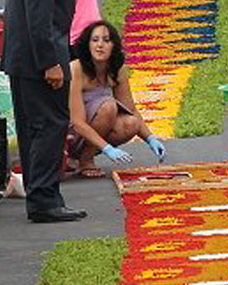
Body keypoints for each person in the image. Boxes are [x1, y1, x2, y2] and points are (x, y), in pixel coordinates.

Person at [2, 0, 86, 223]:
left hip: (24, 58)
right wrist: (50, 62)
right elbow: (40, 14)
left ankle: (42, 195)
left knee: (34, 128)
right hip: (39, 59)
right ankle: (44, 199)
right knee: (48, 127)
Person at [67, 21, 164, 178]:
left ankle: (84, 155)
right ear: (87, 45)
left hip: (94, 125)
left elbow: (131, 110)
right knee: (109, 107)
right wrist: (108, 149)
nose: (100, 45)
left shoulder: (117, 69)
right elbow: (77, 122)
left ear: (114, 46)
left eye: (106, 40)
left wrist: (150, 138)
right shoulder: (76, 68)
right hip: (70, 130)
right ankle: (85, 160)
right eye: (95, 40)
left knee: (131, 123)